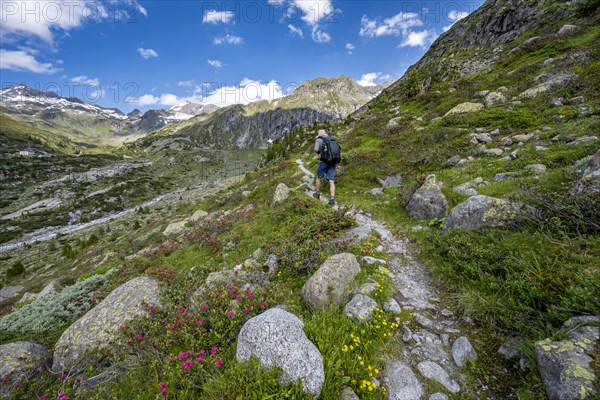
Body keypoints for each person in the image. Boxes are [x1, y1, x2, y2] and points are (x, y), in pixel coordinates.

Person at [313, 129, 337, 206]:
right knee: (331, 180)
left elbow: (316, 149)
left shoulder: (319, 140)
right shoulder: (331, 139)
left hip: (324, 161)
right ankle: (332, 199)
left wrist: (320, 152)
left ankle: (317, 194)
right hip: (333, 162)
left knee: (318, 177)